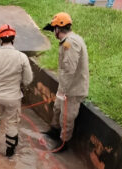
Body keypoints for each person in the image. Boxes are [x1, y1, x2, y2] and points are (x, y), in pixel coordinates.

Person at [0, 24, 33, 157]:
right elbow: (28, 79)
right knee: (12, 123)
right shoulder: (22, 57)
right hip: (13, 97)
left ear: (0, 40)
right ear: (13, 39)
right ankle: (10, 152)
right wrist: (20, 85)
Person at [43, 12, 89, 152]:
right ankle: (54, 131)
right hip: (65, 86)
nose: (54, 33)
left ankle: (64, 143)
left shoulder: (70, 43)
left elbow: (69, 69)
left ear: (58, 29)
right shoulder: (69, 41)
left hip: (72, 89)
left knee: (66, 117)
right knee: (57, 109)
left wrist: (63, 91)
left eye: (54, 30)